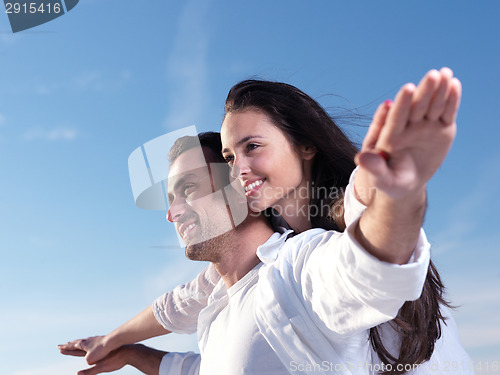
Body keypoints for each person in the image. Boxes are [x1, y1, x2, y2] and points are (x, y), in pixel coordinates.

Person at [59, 69, 472, 374]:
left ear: (305, 144)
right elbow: (185, 317)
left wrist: (392, 193)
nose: (238, 169)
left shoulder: (303, 258)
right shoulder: (232, 288)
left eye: (252, 146)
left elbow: (363, 267)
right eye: (228, 158)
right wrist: (122, 346)